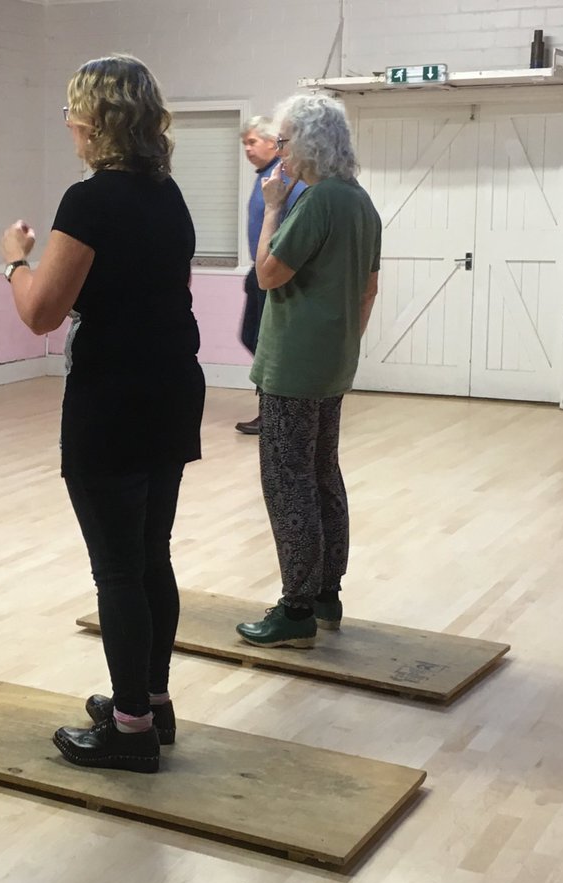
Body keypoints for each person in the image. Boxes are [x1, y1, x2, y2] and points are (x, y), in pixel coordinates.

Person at [0, 55, 205, 774]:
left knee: (118, 571)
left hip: (113, 398)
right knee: (152, 555)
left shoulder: (90, 201)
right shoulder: (168, 193)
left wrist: (14, 260)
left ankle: (129, 730)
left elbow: (41, 312)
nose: (68, 125)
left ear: (93, 119)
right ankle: (151, 700)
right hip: (174, 387)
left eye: (71, 112)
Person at [234, 93, 381, 648]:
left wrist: (272, 207)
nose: (280, 153)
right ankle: (326, 595)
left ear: (311, 143)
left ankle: (295, 609)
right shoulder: (360, 202)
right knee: (323, 475)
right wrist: (343, 345)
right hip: (331, 363)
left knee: (287, 480)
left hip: (293, 366)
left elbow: (268, 275)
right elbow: (368, 289)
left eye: (286, 141)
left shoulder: (315, 201)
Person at [236, 117, 306, 435]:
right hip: (259, 268)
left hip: (276, 272)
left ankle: (274, 413)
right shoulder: (264, 176)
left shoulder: (284, 178)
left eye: (252, 142)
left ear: (271, 143)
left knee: (265, 342)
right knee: (252, 336)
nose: (248, 149)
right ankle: (272, 408)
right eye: (245, 144)